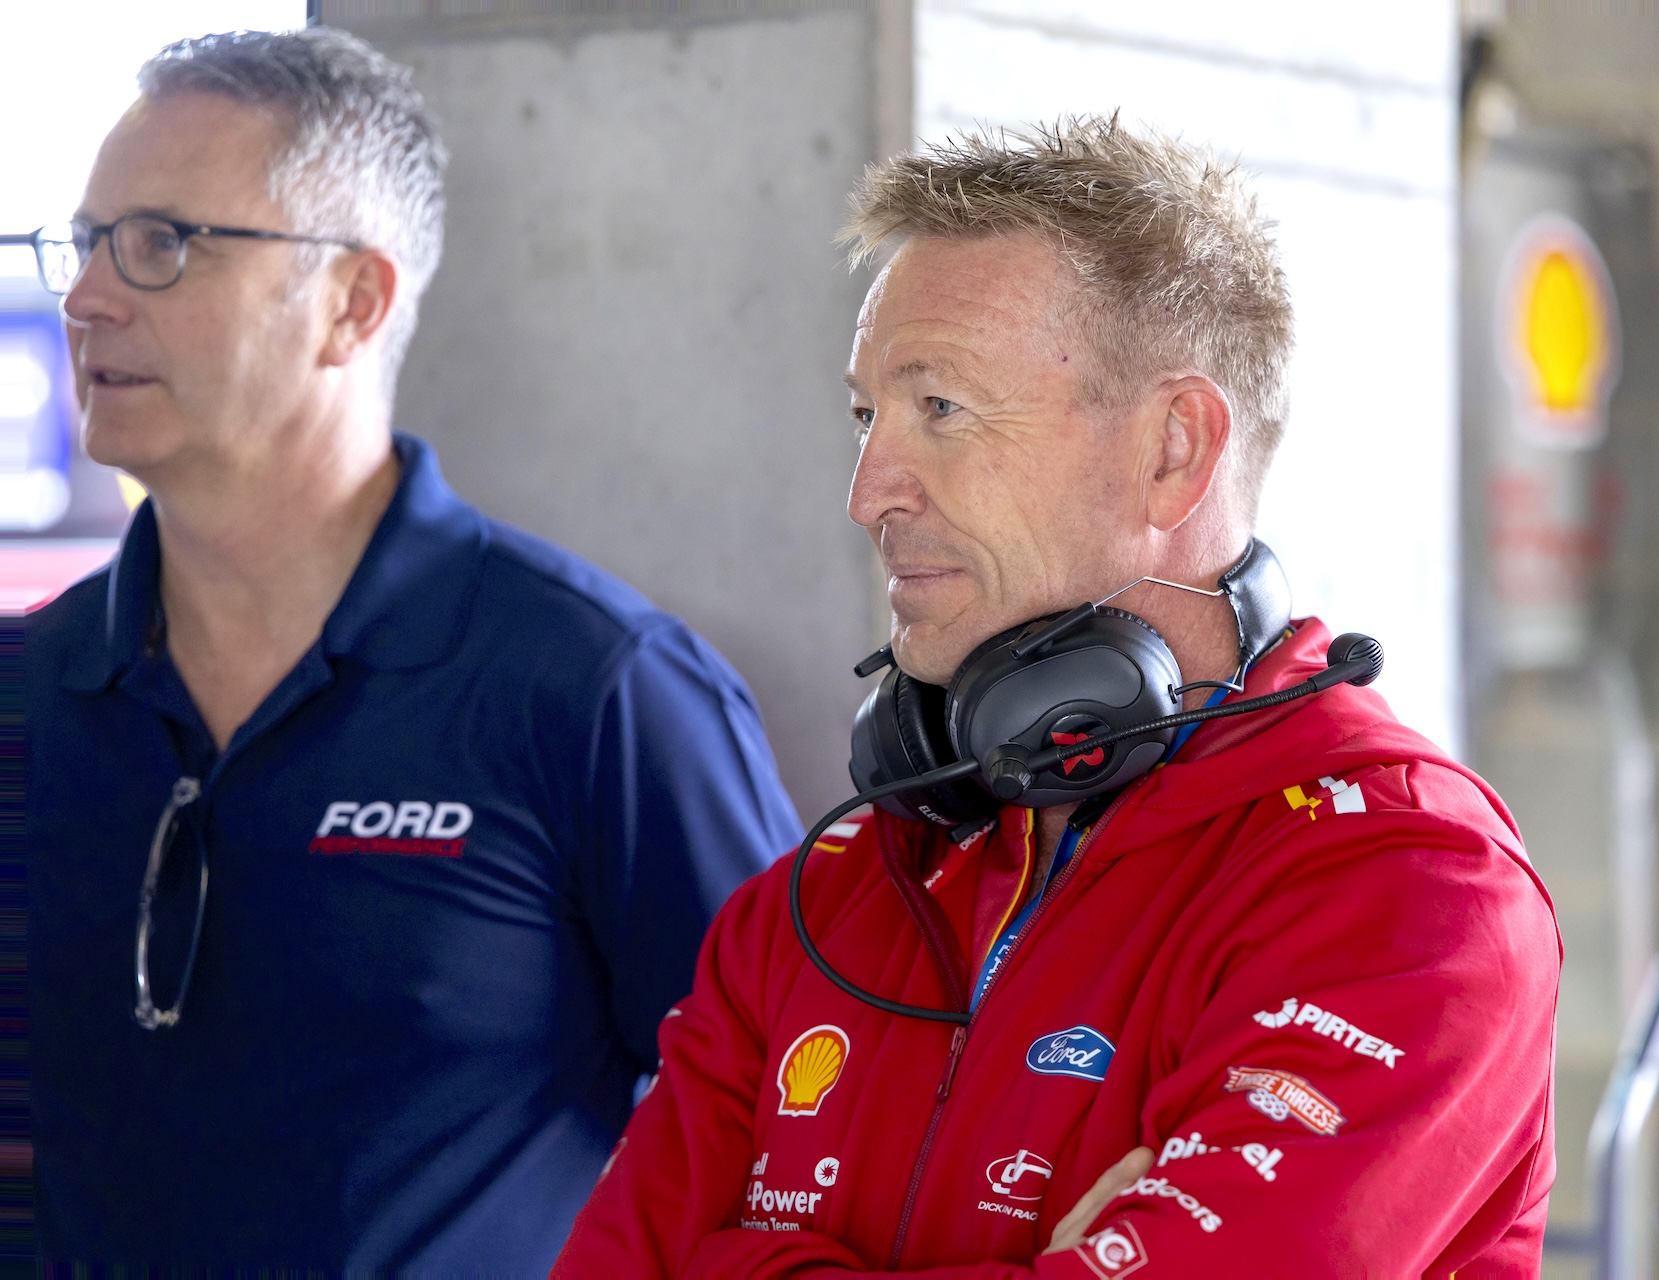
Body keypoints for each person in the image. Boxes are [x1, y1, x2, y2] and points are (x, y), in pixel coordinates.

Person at [556, 116, 1561, 1277]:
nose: (869, 490)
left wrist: (737, 1261)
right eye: (866, 415)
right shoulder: (818, 901)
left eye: (942, 408)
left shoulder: (1409, 887)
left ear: (1173, 450)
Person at [23, 28, 800, 1271]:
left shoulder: (596, 689)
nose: (87, 299)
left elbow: (806, 1128)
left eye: (162, 243)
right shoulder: (33, 694)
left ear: (354, 302)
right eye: (86, 241)